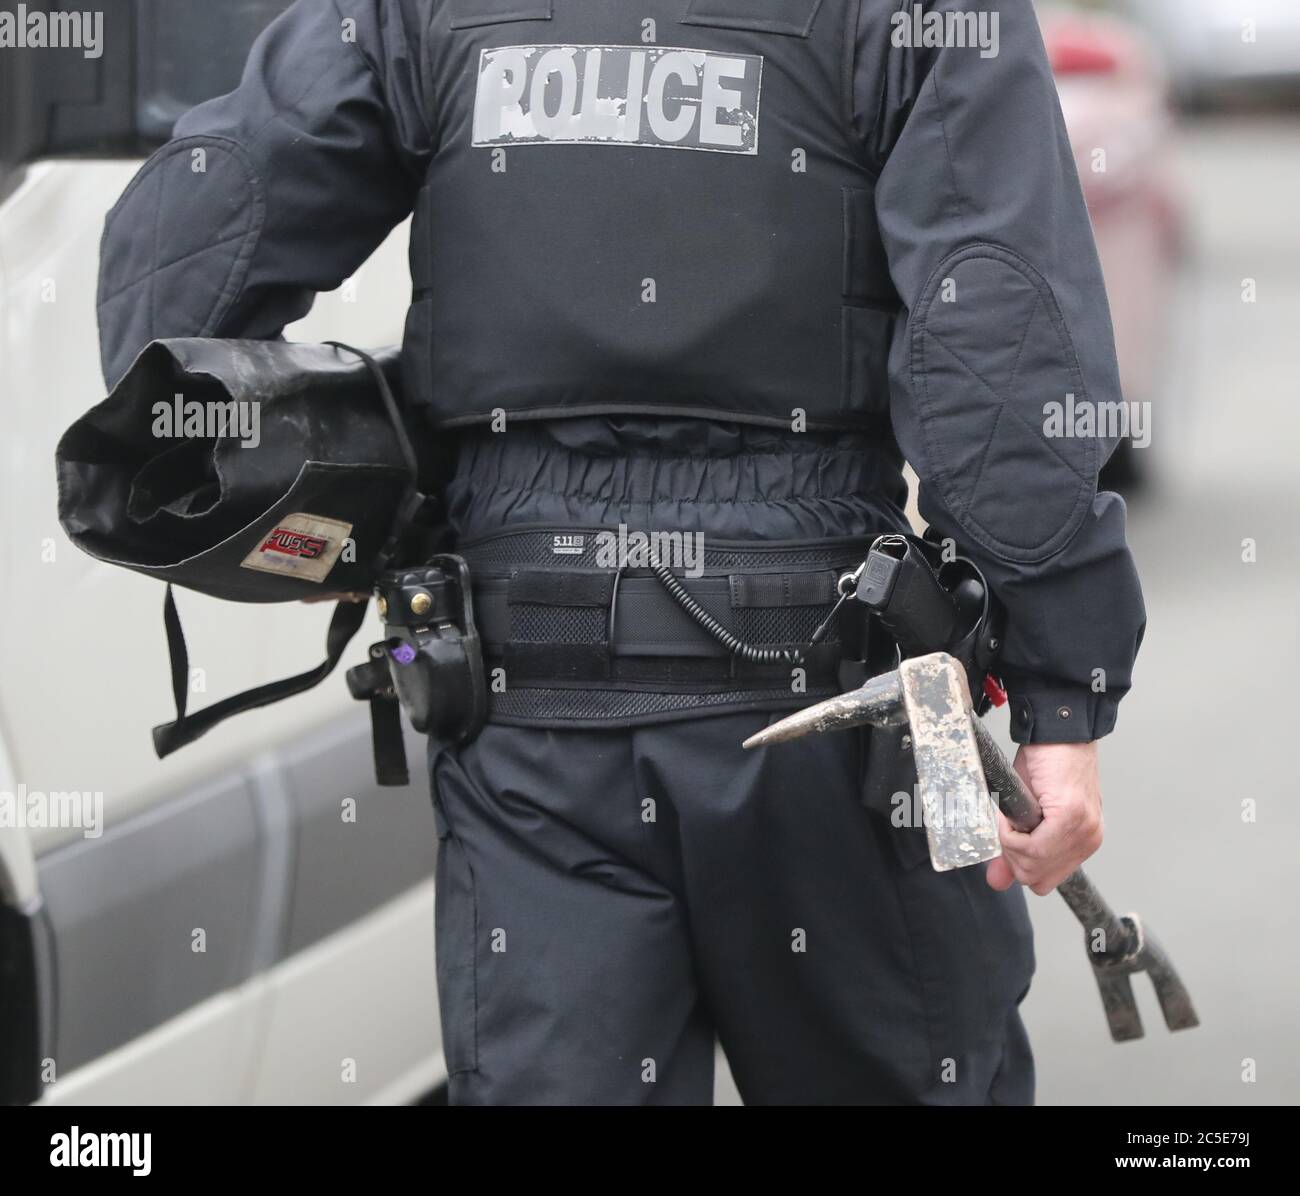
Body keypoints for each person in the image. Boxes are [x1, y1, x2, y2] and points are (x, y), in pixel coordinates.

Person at [96, 0, 1144, 1105]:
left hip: (533, 706)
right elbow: (998, 351)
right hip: (834, 700)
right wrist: (1058, 697)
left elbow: (183, 274)